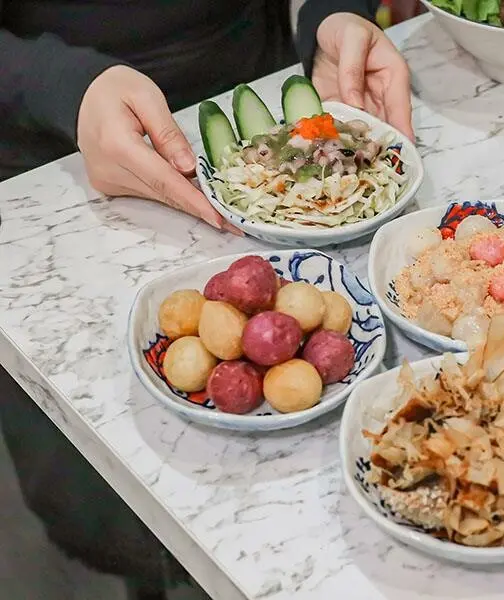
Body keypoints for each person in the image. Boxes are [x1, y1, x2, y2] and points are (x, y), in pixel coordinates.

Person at [0, 1, 413, 598]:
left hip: (259, 123)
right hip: (52, 161)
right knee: (134, 507)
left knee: (293, 534)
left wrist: (333, 13)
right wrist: (59, 85)